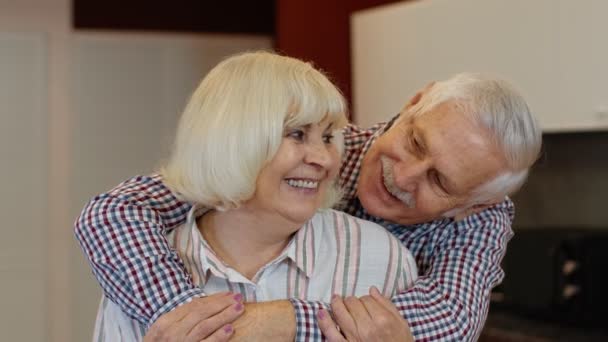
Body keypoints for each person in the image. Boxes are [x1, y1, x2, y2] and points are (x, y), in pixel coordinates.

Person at [75, 61, 542, 340]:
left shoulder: (404, 253)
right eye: (416, 143)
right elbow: (114, 212)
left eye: (439, 180)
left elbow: (451, 322)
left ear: (470, 206)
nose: (402, 175)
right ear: (413, 103)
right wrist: (185, 317)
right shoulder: (334, 147)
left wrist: (278, 324)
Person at [89, 51, 418, 341]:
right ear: (233, 140)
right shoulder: (137, 276)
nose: (324, 158)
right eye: (297, 134)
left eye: (329, 136)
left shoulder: (381, 258)